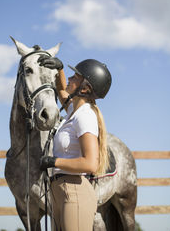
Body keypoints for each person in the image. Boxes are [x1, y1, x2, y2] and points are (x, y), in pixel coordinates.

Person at [40, 57, 112, 231]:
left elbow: (90, 163)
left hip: (74, 192)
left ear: (85, 88)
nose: (70, 79)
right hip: (60, 190)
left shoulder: (85, 116)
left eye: (75, 77)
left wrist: (53, 162)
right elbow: (61, 90)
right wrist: (60, 70)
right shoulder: (74, 111)